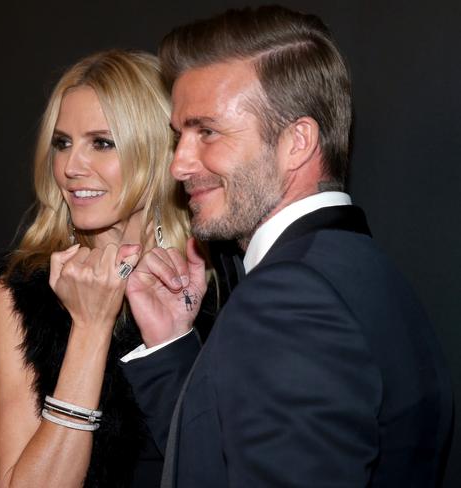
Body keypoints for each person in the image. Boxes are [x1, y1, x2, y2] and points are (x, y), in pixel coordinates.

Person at [121, 6, 454, 488]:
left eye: (207, 131)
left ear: (297, 142)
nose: (179, 164)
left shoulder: (291, 297)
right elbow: (222, 457)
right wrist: (171, 344)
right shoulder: (355, 269)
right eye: (180, 136)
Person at [0, 50, 215, 488]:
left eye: (102, 142)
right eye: (63, 143)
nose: (71, 167)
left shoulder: (209, 279)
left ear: (155, 152)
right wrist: (90, 328)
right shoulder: (22, 295)